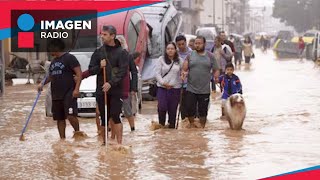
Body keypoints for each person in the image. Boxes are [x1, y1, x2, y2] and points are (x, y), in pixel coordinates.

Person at [88, 25, 129, 145]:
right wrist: (99, 66)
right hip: (101, 89)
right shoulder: (98, 52)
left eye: (105, 34)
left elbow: (123, 72)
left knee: (115, 115)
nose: (102, 36)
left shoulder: (122, 53)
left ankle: (119, 144)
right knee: (103, 117)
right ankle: (104, 143)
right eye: (101, 34)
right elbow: (91, 70)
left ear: (112, 36)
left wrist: (111, 83)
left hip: (116, 90)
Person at [37, 38, 82, 139]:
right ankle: (62, 140)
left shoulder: (70, 58)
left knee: (71, 116)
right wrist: (42, 84)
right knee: (59, 118)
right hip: (56, 94)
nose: (49, 50)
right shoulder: (53, 62)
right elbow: (51, 76)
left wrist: (76, 89)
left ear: (57, 47)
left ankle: (78, 133)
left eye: (51, 47)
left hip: (69, 92)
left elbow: (79, 73)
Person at [181, 36, 220, 128]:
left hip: (204, 89)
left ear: (204, 44)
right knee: (190, 109)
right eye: (196, 43)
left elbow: (216, 69)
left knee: (203, 112)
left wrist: (216, 76)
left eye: (199, 43)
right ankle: (191, 125)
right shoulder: (190, 55)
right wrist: (184, 73)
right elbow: (184, 68)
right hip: (191, 88)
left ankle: (202, 128)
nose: (197, 45)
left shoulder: (210, 56)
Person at [155, 42, 183, 128]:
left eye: (172, 49)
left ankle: (171, 130)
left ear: (175, 50)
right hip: (162, 88)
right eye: (168, 49)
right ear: (165, 50)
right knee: (162, 107)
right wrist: (163, 83)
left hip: (175, 89)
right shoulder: (161, 59)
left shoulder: (180, 61)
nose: (170, 51)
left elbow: (183, 72)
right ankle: (161, 126)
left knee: (173, 110)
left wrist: (183, 76)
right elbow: (157, 73)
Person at [117, 36, 139, 132]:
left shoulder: (128, 56)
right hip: (114, 87)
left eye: (121, 43)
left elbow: (134, 72)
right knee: (113, 111)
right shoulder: (111, 55)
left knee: (128, 110)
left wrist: (134, 88)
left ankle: (132, 128)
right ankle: (111, 130)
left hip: (127, 88)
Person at [175, 35, 192, 120]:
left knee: (190, 106)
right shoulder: (175, 54)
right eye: (179, 45)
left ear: (186, 43)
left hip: (190, 84)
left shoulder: (192, 53)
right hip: (179, 84)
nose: (181, 46)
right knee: (182, 107)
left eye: (183, 44)